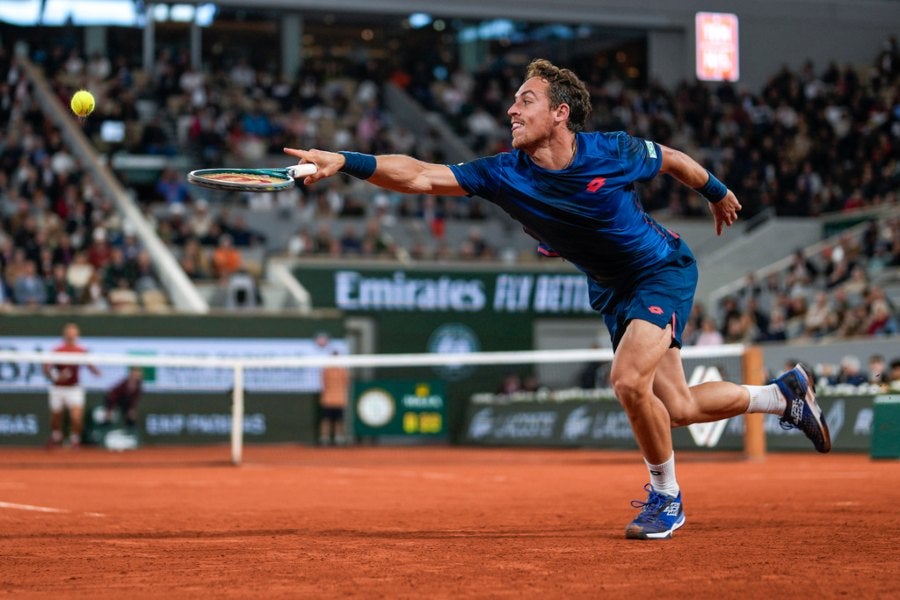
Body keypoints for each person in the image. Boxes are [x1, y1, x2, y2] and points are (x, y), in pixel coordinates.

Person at [284, 58, 831, 540]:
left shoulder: (612, 151)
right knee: (680, 407)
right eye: (514, 102)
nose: (511, 111)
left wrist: (715, 191)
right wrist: (347, 161)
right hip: (612, 291)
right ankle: (784, 397)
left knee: (626, 381)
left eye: (526, 100)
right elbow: (422, 176)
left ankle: (666, 495)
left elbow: (670, 159)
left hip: (661, 271)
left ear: (561, 113)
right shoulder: (503, 173)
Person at [42, 322, 101, 448]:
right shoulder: (57, 350)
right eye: (69, 332)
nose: (71, 335)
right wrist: (56, 376)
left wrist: (96, 372)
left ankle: (75, 439)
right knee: (56, 417)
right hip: (58, 388)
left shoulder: (81, 351)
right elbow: (46, 368)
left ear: (77, 335)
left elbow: (91, 366)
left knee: (76, 417)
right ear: (64, 334)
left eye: (73, 332)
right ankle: (56, 436)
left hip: (74, 388)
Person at [319, 350, 350, 446]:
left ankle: (338, 438)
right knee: (326, 420)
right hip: (328, 400)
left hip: (338, 400)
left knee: (339, 420)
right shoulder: (327, 370)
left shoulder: (342, 370)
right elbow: (323, 383)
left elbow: (345, 382)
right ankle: (325, 438)